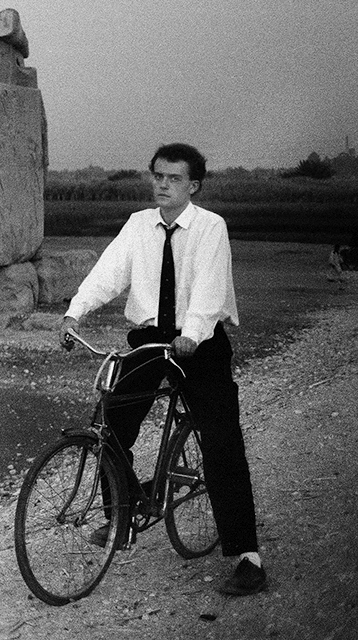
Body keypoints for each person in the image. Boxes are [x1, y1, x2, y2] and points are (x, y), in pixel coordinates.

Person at [58, 143, 267, 596]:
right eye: (158, 176)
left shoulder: (211, 227)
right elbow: (108, 273)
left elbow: (209, 288)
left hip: (200, 342)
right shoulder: (138, 224)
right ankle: (122, 516)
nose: (163, 185)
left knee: (221, 441)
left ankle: (247, 556)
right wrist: (75, 313)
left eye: (174, 178)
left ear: (193, 186)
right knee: (111, 422)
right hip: (152, 339)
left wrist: (192, 332)